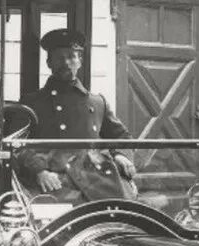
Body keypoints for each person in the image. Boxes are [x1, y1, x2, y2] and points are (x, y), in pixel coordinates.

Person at [18, 28, 136, 201]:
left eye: (72, 56)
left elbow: (122, 137)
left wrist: (120, 155)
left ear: (79, 61)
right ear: (49, 63)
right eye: (60, 57)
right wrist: (39, 171)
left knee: (122, 214)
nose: (66, 62)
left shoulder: (97, 102)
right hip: (53, 179)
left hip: (96, 179)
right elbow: (17, 146)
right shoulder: (32, 102)